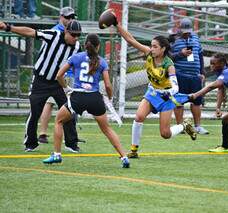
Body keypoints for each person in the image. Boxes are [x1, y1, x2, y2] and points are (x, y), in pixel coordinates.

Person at [111, 15, 197, 158]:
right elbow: (130, 39)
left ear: (163, 49)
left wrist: (168, 92)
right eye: (151, 45)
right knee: (138, 117)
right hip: (152, 93)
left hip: (166, 98)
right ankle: (133, 151)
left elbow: (176, 88)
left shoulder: (169, 65)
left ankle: (184, 125)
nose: (152, 48)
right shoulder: (149, 54)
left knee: (165, 134)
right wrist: (117, 25)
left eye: (155, 46)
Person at [42, 33, 130, 168]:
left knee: (59, 121)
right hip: (95, 98)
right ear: (98, 46)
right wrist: (110, 98)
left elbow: (59, 75)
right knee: (106, 129)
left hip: (78, 97)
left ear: (85, 45)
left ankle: (57, 154)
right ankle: (124, 157)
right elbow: (107, 85)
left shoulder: (76, 57)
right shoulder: (102, 61)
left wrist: (66, 89)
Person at [0, 20, 82, 152]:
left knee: (69, 110)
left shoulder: (77, 47)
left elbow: (80, 64)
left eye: (78, 35)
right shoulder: (54, 35)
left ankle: (71, 143)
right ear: (66, 31)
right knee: (35, 112)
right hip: (40, 81)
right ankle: (30, 143)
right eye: (73, 35)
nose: (76, 38)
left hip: (58, 83)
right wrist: (9, 28)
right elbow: (31, 32)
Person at [38, 7, 85, 146]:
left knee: (65, 105)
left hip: (68, 74)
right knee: (51, 103)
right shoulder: (55, 31)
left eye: (72, 17)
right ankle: (43, 133)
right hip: (58, 74)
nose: (70, 19)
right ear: (61, 17)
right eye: (68, 17)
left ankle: (68, 137)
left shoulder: (73, 32)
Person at [170, 17, 209, 135]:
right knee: (178, 102)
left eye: (189, 31)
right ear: (179, 29)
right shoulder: (172, 39)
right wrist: (180, 54)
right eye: (185, 31)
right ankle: (180, 126)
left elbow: (200, 55)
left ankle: (198, 126)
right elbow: (168, 57)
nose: (187, 34)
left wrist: (202, 72)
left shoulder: (195, 38)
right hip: (180, 75)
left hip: (195, 76)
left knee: (197, 101)